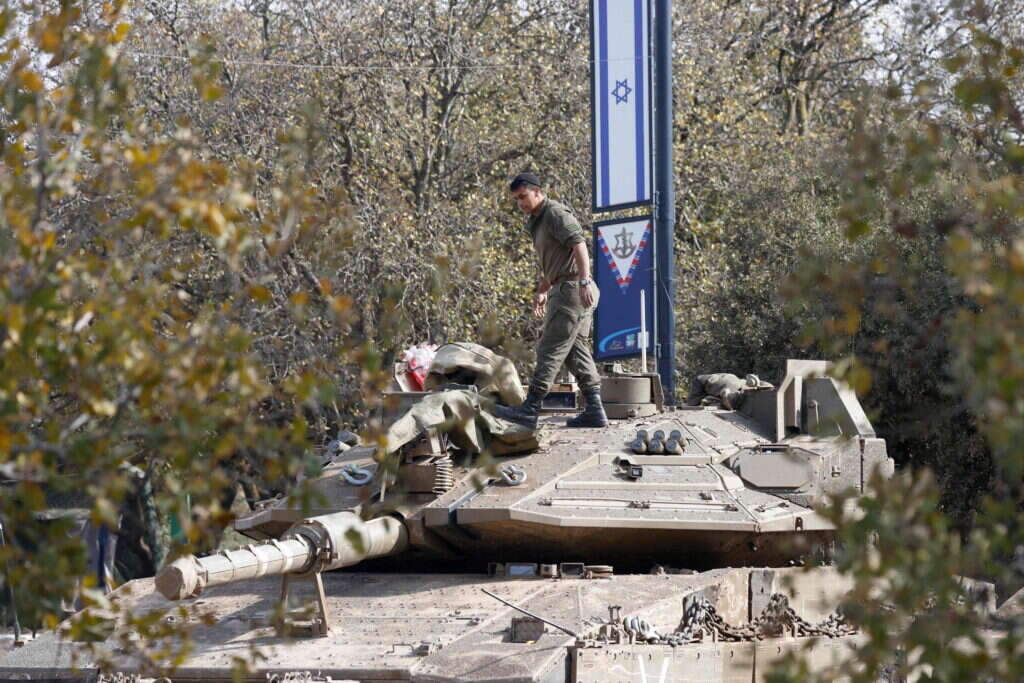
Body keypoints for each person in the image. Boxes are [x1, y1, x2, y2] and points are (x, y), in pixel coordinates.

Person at [494, 172, 608, 429]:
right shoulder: (537, 220)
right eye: (516, 199)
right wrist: (542, 290)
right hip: (564, 285)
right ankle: (595, 409)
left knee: (550, 347)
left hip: (571, 290)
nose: (520, 203)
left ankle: (530, 408)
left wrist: (584, 281)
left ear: (537, 191)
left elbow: (579, 245)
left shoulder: (554, 213)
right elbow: (556, 264)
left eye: (523, 196)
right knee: (575, 351)